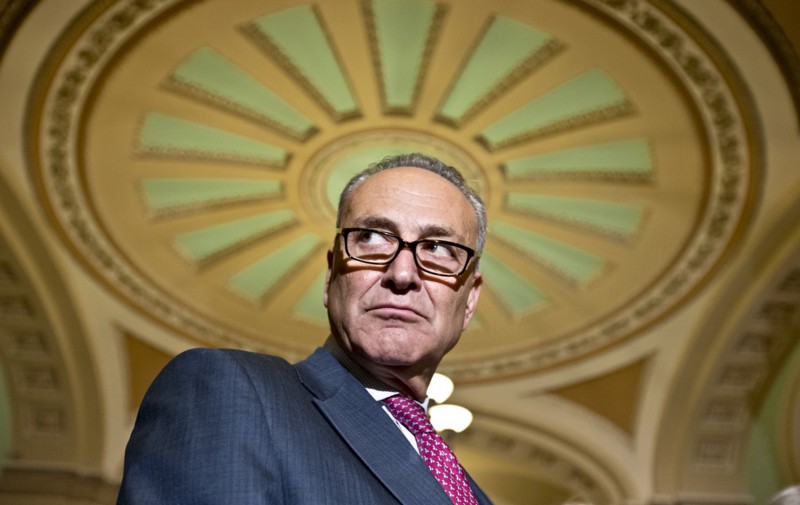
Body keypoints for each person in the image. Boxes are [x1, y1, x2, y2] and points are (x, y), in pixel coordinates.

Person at [116, 153, 492, 504]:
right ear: (331, 276)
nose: (402, 273)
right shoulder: (229, 389)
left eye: (440, 248)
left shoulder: (469, 489)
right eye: (372, 238)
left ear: (470, 300)